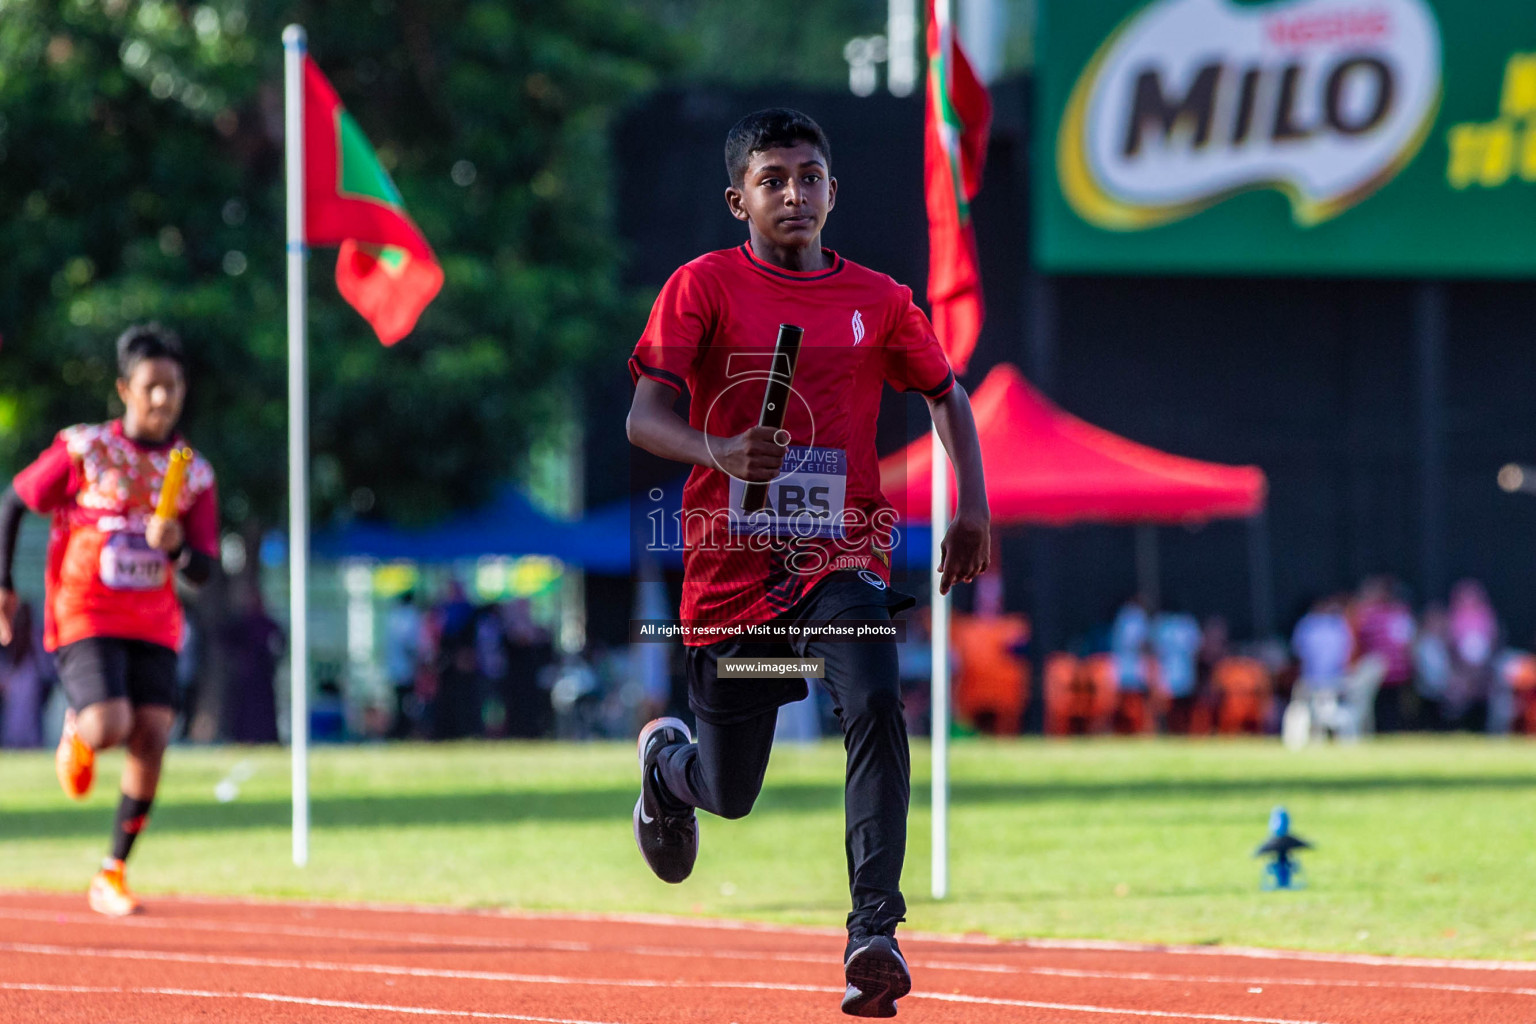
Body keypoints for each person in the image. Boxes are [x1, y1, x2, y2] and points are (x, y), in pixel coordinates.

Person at [624, 109, 988, 1018]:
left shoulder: (881, 300)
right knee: (729, 791)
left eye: (810, 176)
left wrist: (972, 507)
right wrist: (722, 449)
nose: (795, 193)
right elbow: (642, 419)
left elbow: (948, 396)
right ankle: (670, 767)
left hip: (840, 566)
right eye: (774, 178)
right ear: (737, 197)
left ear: (834, 189)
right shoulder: (702, 287)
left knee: (872, 694)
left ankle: (875, 930)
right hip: (731, 585)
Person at [0, 324, 218, 916]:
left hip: (154, 623)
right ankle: (80, 728)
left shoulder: (192, 473)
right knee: (109, 726)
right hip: (84, 611)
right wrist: (4, 586)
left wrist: (175, 548)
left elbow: (204, 571)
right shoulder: (85, 449)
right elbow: (14, 503)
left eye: (172, 388)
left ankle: (112, 871)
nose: (161, 400)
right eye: (149, 387)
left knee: (151, 734)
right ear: (125, 388)